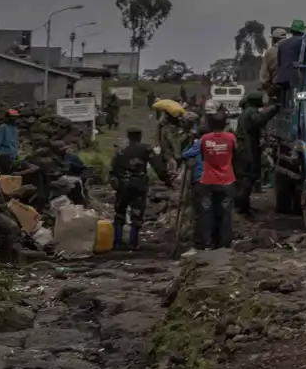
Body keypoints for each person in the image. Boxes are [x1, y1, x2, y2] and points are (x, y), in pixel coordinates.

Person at [182, 113, 238, 249]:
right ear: (225, 124)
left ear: (210, 125)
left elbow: (195, 153)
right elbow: (236, 152)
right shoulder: (231, 138)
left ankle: (207, 243)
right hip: (227, 180)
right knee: (225, 213)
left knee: (206, 214)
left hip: (207, 181)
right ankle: (224, 244)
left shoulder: (204, 139)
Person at [109, 128, 171, 250]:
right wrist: (166, 179)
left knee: (120, 213)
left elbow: (113, 169)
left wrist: (114, 182)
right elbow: (157, 165)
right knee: (136, 214)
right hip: (139, 185)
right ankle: (133, 243)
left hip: (122, 185)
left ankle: (116, 242)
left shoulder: (120, 150)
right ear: (140, 136)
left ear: (128, 136)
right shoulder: (146, 149)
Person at [233, 91, 278, 216]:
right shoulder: (251, 111)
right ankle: (242, 207)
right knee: (247, 177)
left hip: (245, 148)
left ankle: (243, 205)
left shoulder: (247, 110)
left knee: (244, 178)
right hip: (247, 149)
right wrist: (272, 110)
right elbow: (259, 120)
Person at [274, 19, 306, 105]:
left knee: (284, 103)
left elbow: (279, 63)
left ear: (291, 30)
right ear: (302, 31)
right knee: (296, 102)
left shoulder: (282, 44)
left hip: (282, 78)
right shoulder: (303, 42)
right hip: (295, 78)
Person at [259, 27, 289, 92]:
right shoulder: (291, 49)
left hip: (276, 88)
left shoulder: (270, 52)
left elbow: (264, 75)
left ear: (274, 39)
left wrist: (266, 84)